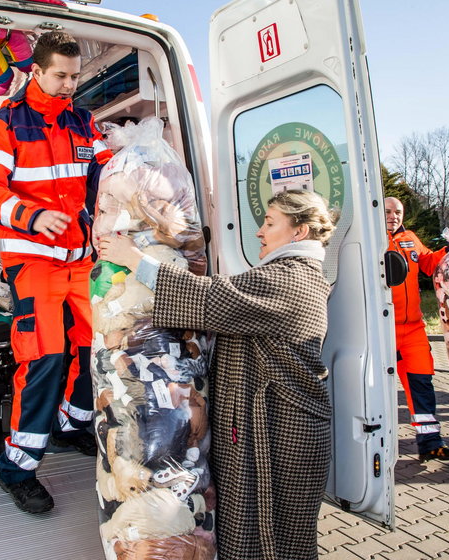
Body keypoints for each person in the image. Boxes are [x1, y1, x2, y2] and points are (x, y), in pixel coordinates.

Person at [99, 190, 336, 560]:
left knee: (275, 543)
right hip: (272, 429)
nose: (260, 231)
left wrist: (135, 260)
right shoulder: (289, 275)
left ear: (299, 232)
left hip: (280, 435)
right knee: (262, 538)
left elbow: (211, 299)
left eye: (270, 223)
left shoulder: (291, 279)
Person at [0, 31, 112, 514]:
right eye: (61, 76)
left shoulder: (85, 123)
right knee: (46, 358)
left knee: (95, 350)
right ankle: (18, 468)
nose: (70, 84)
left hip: (82, 261)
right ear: (37, 69)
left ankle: (73, 427)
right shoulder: (5, 123)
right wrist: (30, 216)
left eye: (75, 76)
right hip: (33, 260)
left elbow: (107, 176)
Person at [385, 196, 449, 463]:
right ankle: (372, 447)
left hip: (414, 328)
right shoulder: (368, 239)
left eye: (398, 212)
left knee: (422, 383)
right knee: (373, 388)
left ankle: (431, 443)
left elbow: (430, 263)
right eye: (387, 211)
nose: (393, 216)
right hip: (381, 329)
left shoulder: (410, 238)